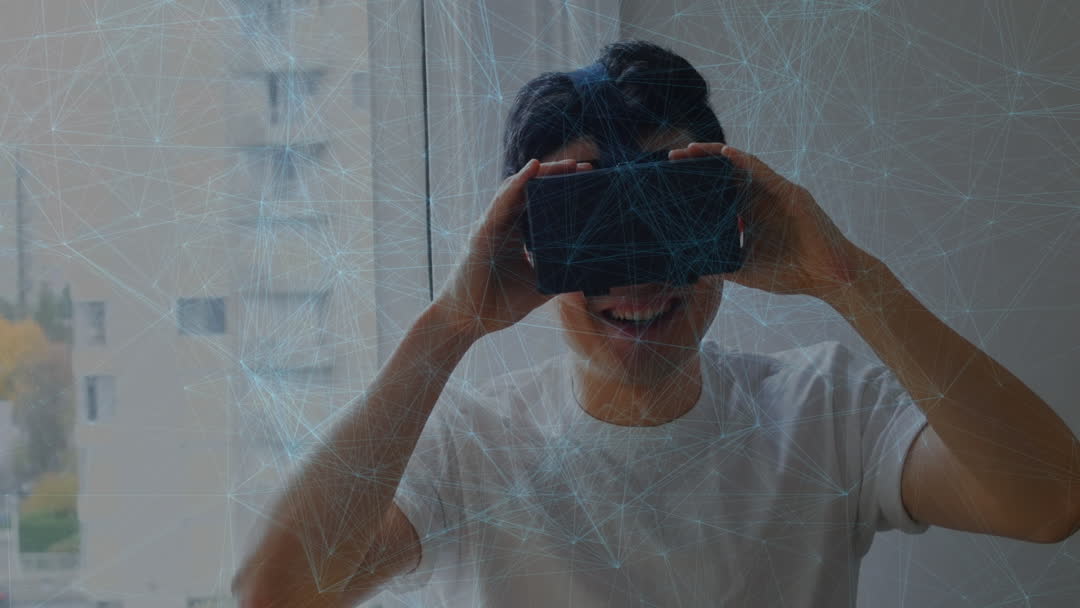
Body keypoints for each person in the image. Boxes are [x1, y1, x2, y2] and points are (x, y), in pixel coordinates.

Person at [232, 40, 1080, 608]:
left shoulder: (825, 411)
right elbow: (275, 592)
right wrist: (449, 325)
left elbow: (1049, 501)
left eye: (666, 207)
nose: (636, 272)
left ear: (727, 217)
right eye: (592, 216)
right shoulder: (469, 448)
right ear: (526, 241)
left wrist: (852, 281)